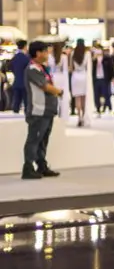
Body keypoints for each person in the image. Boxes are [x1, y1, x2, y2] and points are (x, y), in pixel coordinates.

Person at [21, 41, 63, 179]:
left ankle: (41, 165)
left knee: (43, 140)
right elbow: (44, 86)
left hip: (47, 110)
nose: (47, 54)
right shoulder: (32, 69)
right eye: (45, 51)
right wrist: (59, 91)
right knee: (34, 139)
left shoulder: (43, 68)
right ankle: (28, 167)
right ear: (38, 53)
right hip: (38, 111)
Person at [69, 39, 89, 127]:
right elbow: (88, 67)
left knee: (77, 98)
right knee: (83, 98)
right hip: (84, 76)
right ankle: (83, 117)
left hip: (75, 76)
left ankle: (79, 117)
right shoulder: (87, 54)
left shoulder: (73, 54)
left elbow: (71, 68)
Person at [50, 40, 72, 123]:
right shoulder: (63, 57)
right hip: (61, 77)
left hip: (53, 77)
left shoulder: (50, 57)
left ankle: (54, 113)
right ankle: (61, 114)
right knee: (61, 97)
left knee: (53, 96)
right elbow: (65, 70)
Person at [8, 38, 28, 114]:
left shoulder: (14, 58)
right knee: (27, 103)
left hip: (16, 82)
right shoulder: (26, 58)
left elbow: (10, 67)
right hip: (25, 82)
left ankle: (15, 114)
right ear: (25, 46)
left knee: (16, 102)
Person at [92, 42, 112, 114]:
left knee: (106, 94)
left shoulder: (107, 58)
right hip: (96, 79)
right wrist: (94, 59)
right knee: (96, 94)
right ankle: (98, 108)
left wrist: (111, 78)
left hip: (104, 79)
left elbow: (110, 68)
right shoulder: (93, 60)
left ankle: (108, 107)